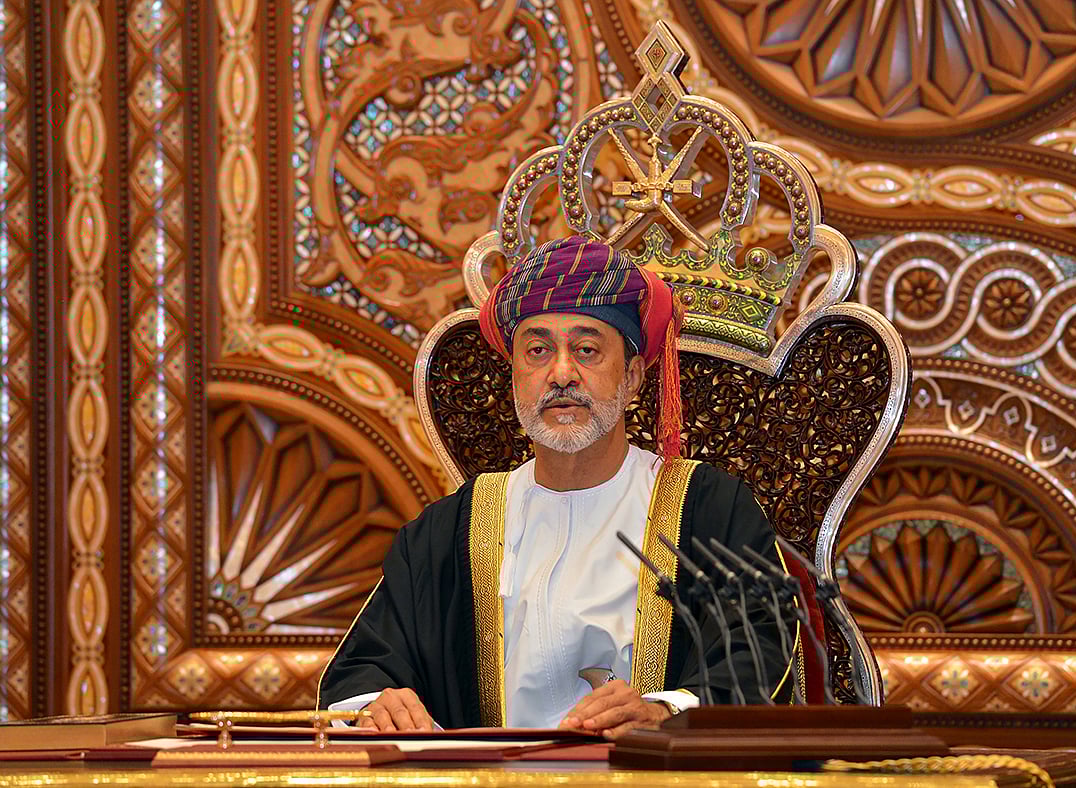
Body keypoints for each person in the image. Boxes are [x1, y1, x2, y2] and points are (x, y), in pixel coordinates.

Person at [316, 236, 794, 738]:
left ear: (632, 378)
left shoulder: (711, 509)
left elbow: (762, 653)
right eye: (538, 350)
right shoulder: (450, 530)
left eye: (586, 349)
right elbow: (361, 674)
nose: (561, 373)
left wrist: (663, 712)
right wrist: (378, 707)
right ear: (516, 378)